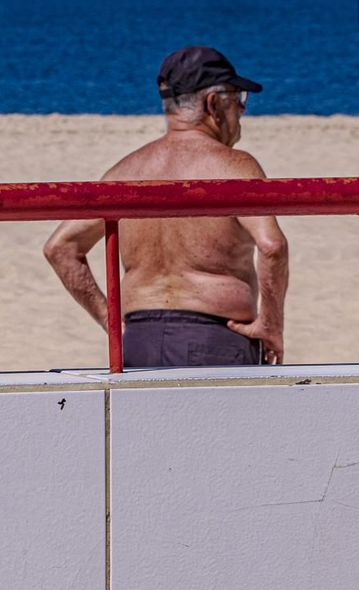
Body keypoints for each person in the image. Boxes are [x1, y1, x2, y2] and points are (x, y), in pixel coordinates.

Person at [42, 46, 289, 367]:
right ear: (213, 104)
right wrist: (270, 325)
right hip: (214, 340)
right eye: (237, 98)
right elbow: (272, 247)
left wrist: (111, 322)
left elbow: (60, 247)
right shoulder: (235, 168)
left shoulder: (125, 172)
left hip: (138, 341)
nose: (241, 110)